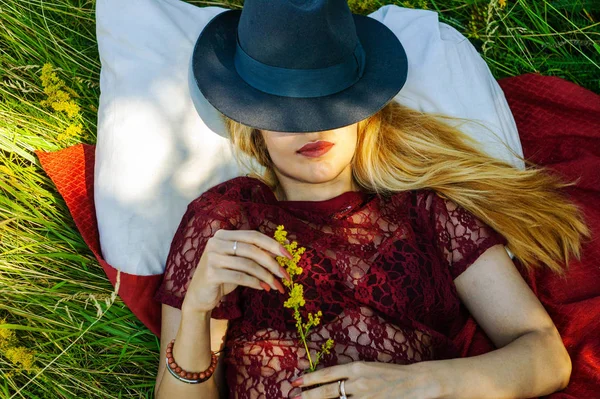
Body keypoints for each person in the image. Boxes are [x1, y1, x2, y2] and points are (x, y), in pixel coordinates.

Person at [152, 1, 590, 398]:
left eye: (331, 103)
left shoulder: (426, 211)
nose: (312, 129)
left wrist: (421, 383)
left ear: (363, 111)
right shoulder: (226, 219)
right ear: (252, 124)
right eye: (283, 109)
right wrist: (195, 312)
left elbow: (547, 358)